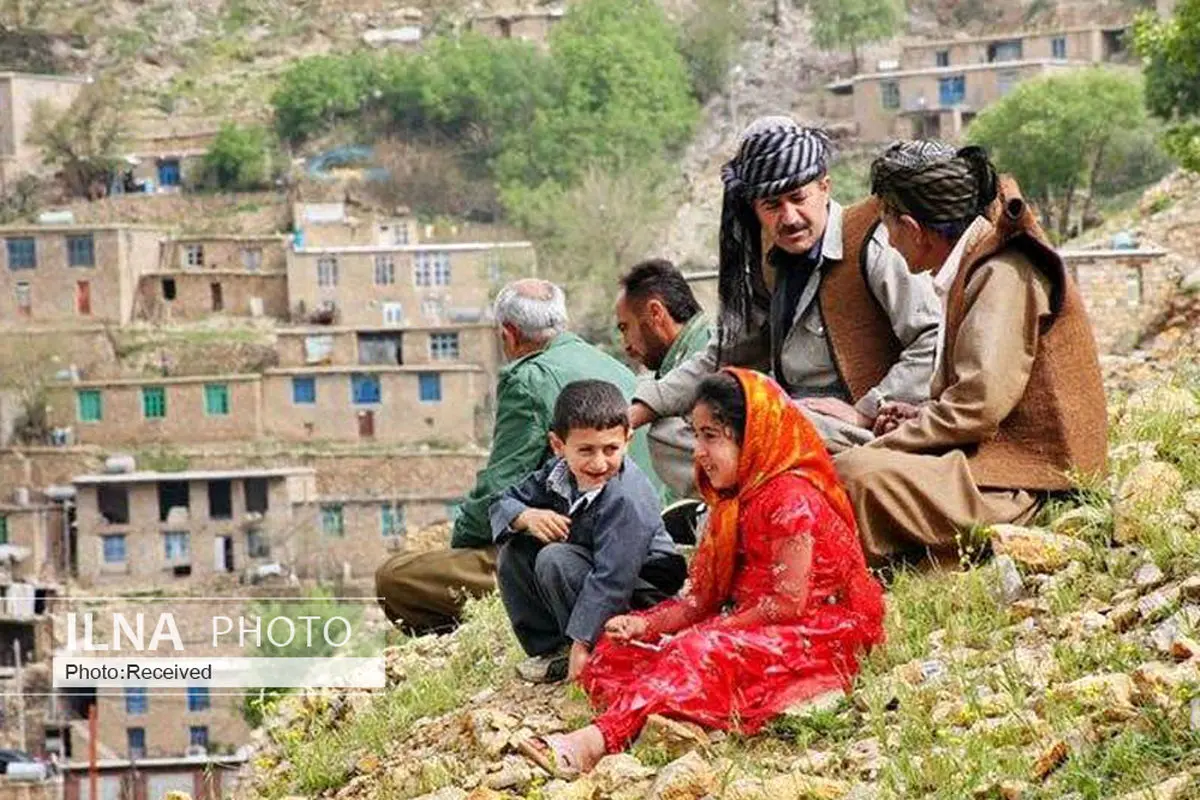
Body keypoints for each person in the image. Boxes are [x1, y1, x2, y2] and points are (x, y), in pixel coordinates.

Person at [517, 368, 886, 776]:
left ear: (752, 437)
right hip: (749, 623)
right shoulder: (731, 501)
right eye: (696, 435)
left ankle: (594, 741)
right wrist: (645, 626)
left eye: (711, 436)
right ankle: (663, 702)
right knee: (619, 646)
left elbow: (786, 604)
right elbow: (700, 600)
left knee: (694, 651)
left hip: (813, 633)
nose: (698, 451)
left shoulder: (791, 499)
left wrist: (708, 632)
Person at [834, 141, 1108, 566]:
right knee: (839, 459)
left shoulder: (1001, 273)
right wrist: (921, 415)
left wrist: (893, 442)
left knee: (852, 475)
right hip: (994, 464)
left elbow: (976, 408)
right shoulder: (972, 266)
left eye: (887, 224)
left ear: (913, 227)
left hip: (1023, 484)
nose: (887, 238)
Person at [629, 117, 940, 453]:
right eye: (772, 205)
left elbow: (931, 340)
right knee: (667, 433)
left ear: (824, 187)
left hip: (856, 428)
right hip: (794, 415)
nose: (789, 217)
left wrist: (866, 411)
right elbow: (725, 358)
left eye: (798, 197)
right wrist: (637, 410)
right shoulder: (771, 264)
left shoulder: (874, 246)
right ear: (755, 210)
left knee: (760, 430)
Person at [375, 279, 661, 634]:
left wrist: (462, 546)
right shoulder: (612, 366)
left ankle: (474, 635)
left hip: (576, 553)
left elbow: (499, 487)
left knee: (396, 578)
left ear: (508, 334)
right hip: (643, 541)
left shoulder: (528, 379)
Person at [492, 380, 686, 684]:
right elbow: (503, 503)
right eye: (585, 450)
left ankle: (599, 651)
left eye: (611, 449)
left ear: (628, 440)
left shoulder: (626, 496)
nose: (599, 463)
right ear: (558, 446)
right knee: (515, 550)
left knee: (555, 559)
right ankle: (553, 650)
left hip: (641, 592)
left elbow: (613, 578)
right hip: (592, 575)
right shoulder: (555, 475)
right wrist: (524, 516)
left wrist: (583, 640)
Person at [614, 259, 712, 504]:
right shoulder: (679, 360)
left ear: (656, 313)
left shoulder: (709, 346)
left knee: (665, 431)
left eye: (625, 328)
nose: (625, 345)